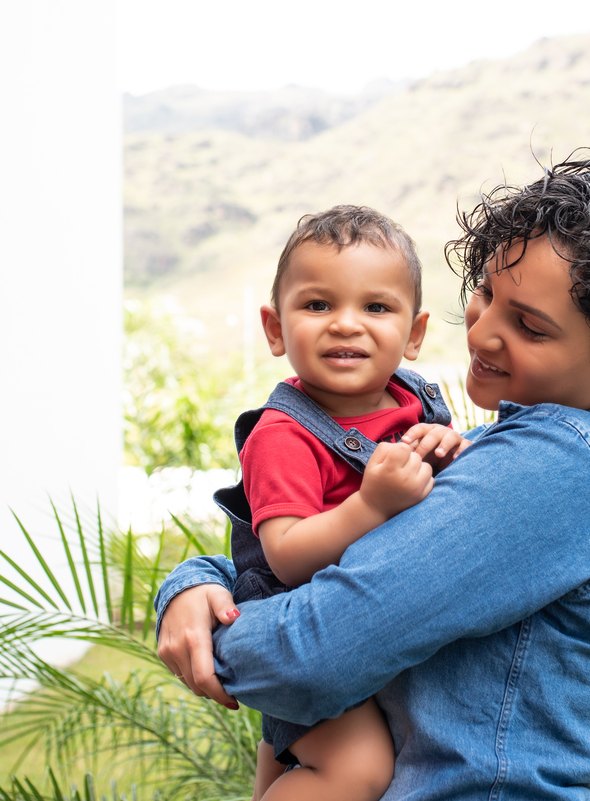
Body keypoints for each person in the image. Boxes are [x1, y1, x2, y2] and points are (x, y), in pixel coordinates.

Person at [156, 155, 590, 800]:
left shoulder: (555, 467)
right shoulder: (496, 446)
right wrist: (198, 582)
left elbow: (306, 656)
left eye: (529, 326)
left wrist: (212, 625)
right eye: (486, 294)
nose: (483, 332)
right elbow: (338, 554)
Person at [216, 204, 469, 801]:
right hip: (302, 627)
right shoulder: (283, 435)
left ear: (414, 333)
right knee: (357, 769)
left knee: (298, 768)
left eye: (376, 307)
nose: (346, 325)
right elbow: (285, 556)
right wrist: (371, 505)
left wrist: (448, 446)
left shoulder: (413, 404)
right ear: (275, 329)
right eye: (317, 305)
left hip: (373, 626)